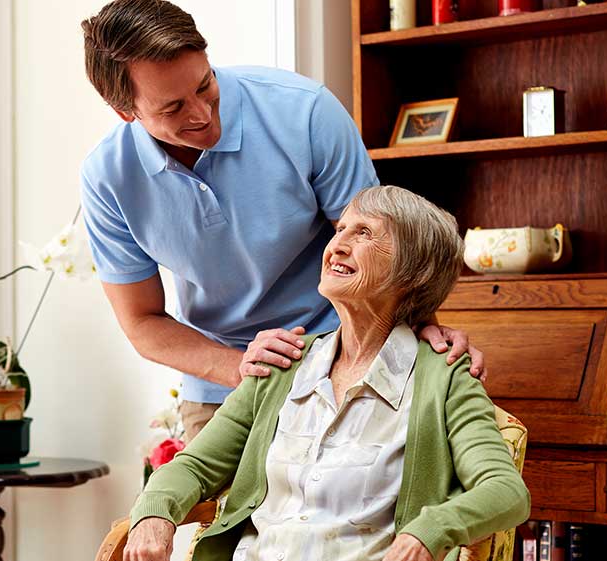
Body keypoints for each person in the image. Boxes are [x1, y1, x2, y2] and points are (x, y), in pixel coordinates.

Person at [78, 0, 485, 442]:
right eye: (173, 108)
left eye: (205, 84)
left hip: (343, 360)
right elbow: (142, 322)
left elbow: (381, 245)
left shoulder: (304, 111)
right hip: (222, 387)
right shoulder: (108, 178)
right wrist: (240, 368)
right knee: (215, 511)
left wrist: (426, 331)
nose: (201, 113)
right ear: (125, 111)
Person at [123, 186, 530, 561]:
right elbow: (194, 466)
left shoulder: (443, 377)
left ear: (413, 270)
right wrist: (154, 515)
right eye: (340, 229)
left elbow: (506, 491)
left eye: (365, 233)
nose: (337, 245)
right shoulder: (283, 364)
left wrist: (428, 532)